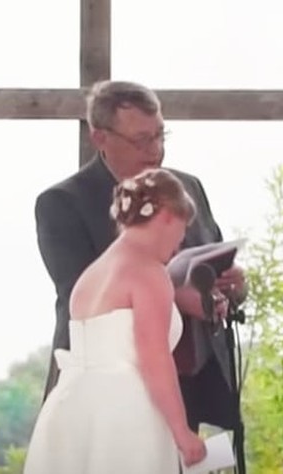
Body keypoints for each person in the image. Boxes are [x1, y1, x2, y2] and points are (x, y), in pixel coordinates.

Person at [34, 80, 247, 433]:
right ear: (100, 138)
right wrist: (176, 297)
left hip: (192, 381)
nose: (155, 151)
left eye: (161, 136)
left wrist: (229, 285)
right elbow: (81, 296)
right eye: (141, 140)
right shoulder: (62, 203)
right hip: (111, 390)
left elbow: (212, 259)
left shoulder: (188, 187)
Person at [24, 169, 207, 473]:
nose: (179, 244)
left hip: (70, 405)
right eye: (182, 230)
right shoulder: (148, 272)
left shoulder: (91, 275)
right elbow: (154, 359)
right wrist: (182, 432)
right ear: (167, 217)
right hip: (125, 412)